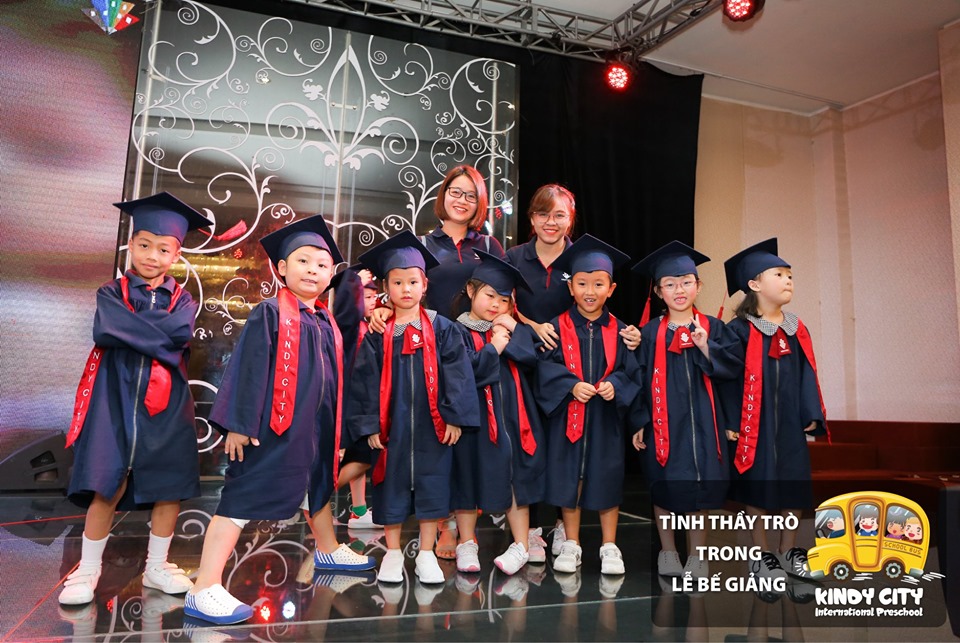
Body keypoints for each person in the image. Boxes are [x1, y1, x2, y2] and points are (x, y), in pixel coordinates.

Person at [185, 215, 374, 625]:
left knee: (317, 489)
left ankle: (327, 550)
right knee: (241, 499)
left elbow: (333, 382)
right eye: (303, 261)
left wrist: (337, 432)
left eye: (322, 265)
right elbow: (248, 369)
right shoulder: (269, 313)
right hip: (271, 430)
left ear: (330, 275)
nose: (313, 270)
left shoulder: (324, 320)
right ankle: (204, 587)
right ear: (282, 268)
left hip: (313, 429)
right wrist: (238, 423)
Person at [59, 192, 211, 606]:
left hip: (168, 403)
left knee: (168, 485)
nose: (152, 256)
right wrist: (157, 335)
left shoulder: (184, 299)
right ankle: (88, 569)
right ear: (130, 245)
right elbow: (107, 329)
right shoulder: (111, 292)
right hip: (114, 397)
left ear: (176, 255)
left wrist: (134, 330)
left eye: (163, 249)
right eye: (144, 245)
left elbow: (180, 334)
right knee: (107, 480)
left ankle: (157, 567)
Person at [505, 184, 641, 558]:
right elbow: (500, 303)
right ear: (532, 218)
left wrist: (631, 335)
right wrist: (531, 326)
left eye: (560, 215)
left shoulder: (580, 258)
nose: (551, 221)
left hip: (577, 362)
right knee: (532, 448)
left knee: (565, 451)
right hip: (530, 360)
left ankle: (564, 530)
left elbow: (601, 316)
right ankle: (532, 529)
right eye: (543, 214)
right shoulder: (514, 257)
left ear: (571, 219)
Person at [346, 231, 480, 585]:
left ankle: (425, 553)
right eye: (397, 282)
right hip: (392, 427)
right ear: (386, 288)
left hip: (433, 426)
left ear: (424, 285)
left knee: (433, 486)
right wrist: (370, 424)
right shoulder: (379, 333)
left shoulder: (443, 328)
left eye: (413, 282)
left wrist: (454, 417)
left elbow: (458, 375)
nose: (405, 289)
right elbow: (365, 380)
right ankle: (392, 553)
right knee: (390, 485)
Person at [631, 241, 743, 580]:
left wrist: (705, 346)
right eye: (670, 284)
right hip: (664, 424)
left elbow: (733, 373)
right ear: (658, 291)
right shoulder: (649, 333)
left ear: (698, 286)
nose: (679, 290)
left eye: (686, 282)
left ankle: (696, 556)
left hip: (706, 424)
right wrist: (639, 420)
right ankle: (668, 552)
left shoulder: (714, 328)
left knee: (700, 492)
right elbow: (636, 379)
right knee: (664, 486)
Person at [721, 238, 828, 581]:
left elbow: (807, 372)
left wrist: (811, 412)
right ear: (754, 285)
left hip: (790, 423)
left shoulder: (797, 328)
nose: (788, 281)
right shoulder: (738, 330)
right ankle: (762, 554)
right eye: (779, 275)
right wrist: (731, 420)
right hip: (755, 422)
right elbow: (727, 378)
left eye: (790, 276)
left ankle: (789, 550)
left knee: (794, 483)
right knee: (757, 485)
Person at [536, 235, 641, 576]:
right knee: (571, 479)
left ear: (611, 289)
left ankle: (610, 546)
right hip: (568, 418)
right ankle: (572, 543)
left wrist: (616, 385)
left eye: (598, 284)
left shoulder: (622, 331)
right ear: (570, 287)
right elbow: (544, 368)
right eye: (582, 283)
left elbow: (631, 371)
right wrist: (570, 385)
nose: (590, 291)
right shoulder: (556, 328)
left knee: (607, 479)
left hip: (605, 420)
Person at [450, 250, 546, 575]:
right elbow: (466, 374)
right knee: (467, 476)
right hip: (473, 419)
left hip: (514, 419)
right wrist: (495, 346)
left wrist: (514, 328)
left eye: (504, 300)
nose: (496, 305)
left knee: (515, 477)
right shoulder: (456, 331)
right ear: (471, 290)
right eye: (490, 295)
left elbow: (532, 358)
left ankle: (520, 544)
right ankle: (466, 542)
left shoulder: (509, 327)